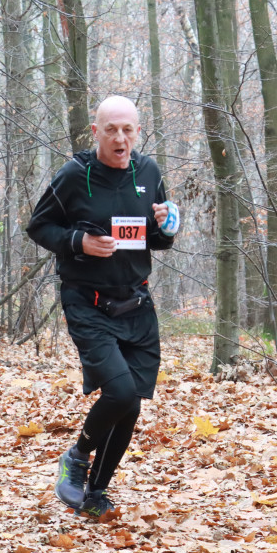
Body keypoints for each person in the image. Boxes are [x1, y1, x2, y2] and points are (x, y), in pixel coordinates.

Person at [26, 95, 178, 518]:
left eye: (127, 129)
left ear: (138, 133)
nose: (120, 138)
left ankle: (95, 492)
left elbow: (159, 238)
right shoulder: (76, 175)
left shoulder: (148, 172)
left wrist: (168, 227)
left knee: (129, 405)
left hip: (137, 303)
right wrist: (79, 242)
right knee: (120, 391)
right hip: (87, 302)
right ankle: (76, 456)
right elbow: (39, 226)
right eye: (111, 129)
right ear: (96, 132)